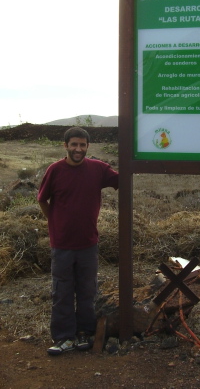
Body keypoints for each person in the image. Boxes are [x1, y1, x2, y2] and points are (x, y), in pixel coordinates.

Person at [37, 127, 119, 355]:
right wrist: (54, 220)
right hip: (62, 243)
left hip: (88, 242)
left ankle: (84, 333)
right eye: (74, 144)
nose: (78, 149)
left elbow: (122, 179)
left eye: (82, 145)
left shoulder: (98, 169)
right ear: (65, 146)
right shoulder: (55, 170)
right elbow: (42, 199)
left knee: (87, 290)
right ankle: (64, 338)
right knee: (61, 291)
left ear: (87, 147)